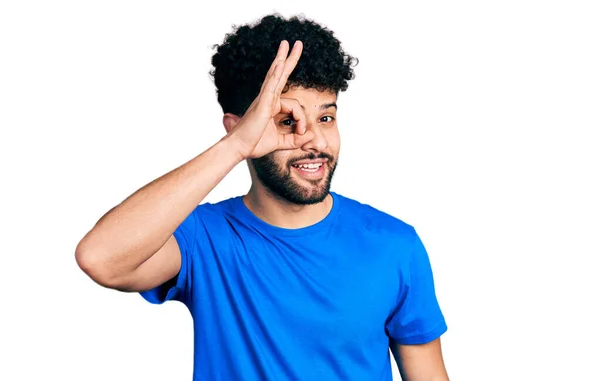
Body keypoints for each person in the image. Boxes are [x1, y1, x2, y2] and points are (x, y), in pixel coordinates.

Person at [75, 13, 450, 381]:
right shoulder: (201, 238)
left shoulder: (394, 244)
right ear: (239, 127)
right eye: (287, 121)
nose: (315, 141)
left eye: (326, 118)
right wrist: (235, 146)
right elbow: (101, 259)